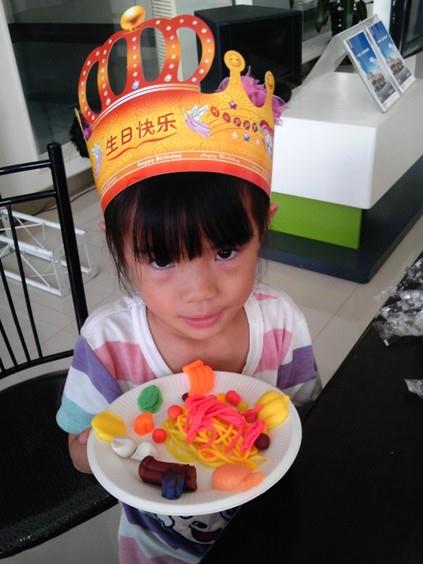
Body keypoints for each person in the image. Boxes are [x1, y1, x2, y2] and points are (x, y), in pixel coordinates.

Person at [56, 6, 321, 563]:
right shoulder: (106, 345)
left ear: (262, 228)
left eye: (225, 251)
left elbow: (301, 419)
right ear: (118, 246)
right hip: (153, 548)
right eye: (160, 259)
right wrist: (90, 448)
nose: (200, 291)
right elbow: (80, 453)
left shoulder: (281, 325)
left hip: (271, 532)